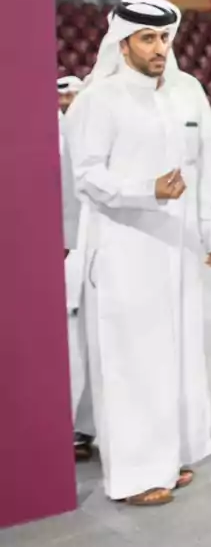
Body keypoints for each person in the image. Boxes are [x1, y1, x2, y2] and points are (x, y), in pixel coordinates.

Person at [66, 0, 211, 506]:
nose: (160, 48)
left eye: (165, 38)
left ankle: (170, 454)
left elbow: (208, 167)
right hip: (124, 249)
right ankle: (137, 474)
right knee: (132, 359)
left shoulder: (189, 94)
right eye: (148, 39)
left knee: (178, 354)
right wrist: (148, 190)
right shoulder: (99, 100)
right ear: (124, 43)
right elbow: (87, 176)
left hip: (177, 249)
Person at [57, 75, 94, 460]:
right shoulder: (48, 130)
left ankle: (87, 427)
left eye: (74, 92)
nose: (69, 99)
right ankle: (74, 429)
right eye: (63, 93)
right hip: (68, 245)